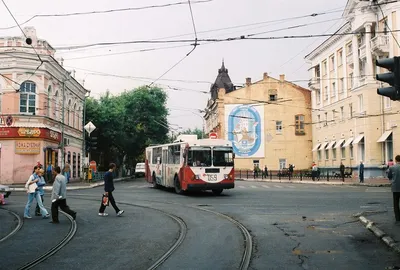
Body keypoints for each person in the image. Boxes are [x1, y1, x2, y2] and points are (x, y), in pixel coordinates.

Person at [387, 155, 400, 223]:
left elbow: (389, 176)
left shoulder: (392, 167)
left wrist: (392, 180)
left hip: (395, 187)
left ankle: (397, 218)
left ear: (395, 160)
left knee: (396, 203)